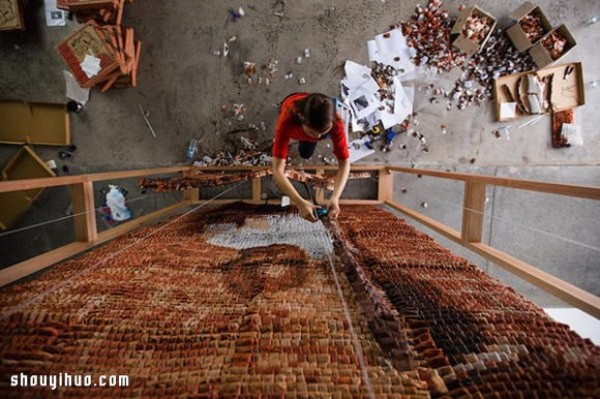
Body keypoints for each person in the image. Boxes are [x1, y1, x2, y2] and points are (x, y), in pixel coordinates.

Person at [272, 92, 350, 222]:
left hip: (308, 123)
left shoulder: (335, 122)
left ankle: (310, 136)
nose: (318, 137)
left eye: (323, 133)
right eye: (312, 132)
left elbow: (345, 161)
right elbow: (277, 170)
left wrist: (335, 197)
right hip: (291, 104)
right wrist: (299, 202)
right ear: (301, 119)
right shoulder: (286, 121)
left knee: (306, 153)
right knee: (303, 147)